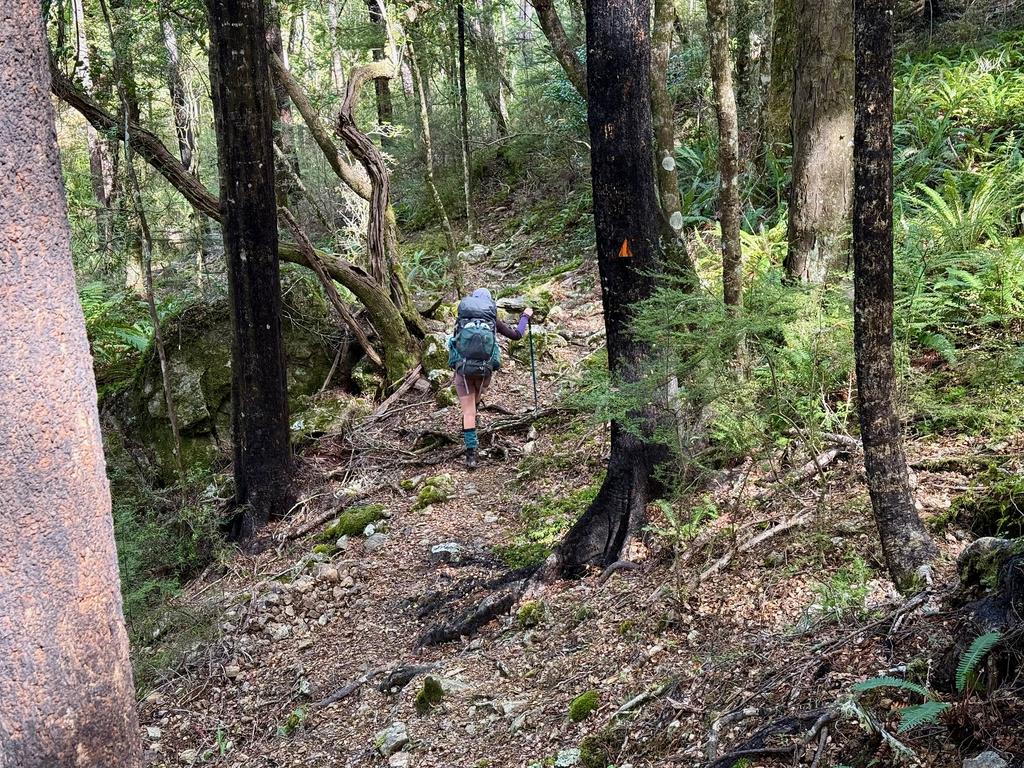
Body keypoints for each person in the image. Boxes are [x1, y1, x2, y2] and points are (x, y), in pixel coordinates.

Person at [448, 288, 533, 469]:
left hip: (463, 370)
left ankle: (471, 456)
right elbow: (516, 335)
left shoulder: (463, 319)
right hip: (484, 370)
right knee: (475, 403)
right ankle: (474, 411)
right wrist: (525, 317)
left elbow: (453, 343)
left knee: (468, 412)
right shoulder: (492, 319)